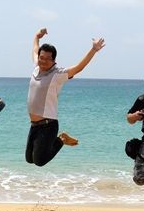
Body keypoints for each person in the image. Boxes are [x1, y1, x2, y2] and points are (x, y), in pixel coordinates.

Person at [25, 27, 105, 166]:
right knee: (29, 159)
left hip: (48, 125)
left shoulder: (57, 74)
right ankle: (60, 140)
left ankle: (62, 139)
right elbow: (35, 48)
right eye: (41, 58)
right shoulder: (36, 67)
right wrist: (37, 36)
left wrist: (93, 50)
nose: (43, 61)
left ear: (54, 61)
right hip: (34, 125)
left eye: (47, 59)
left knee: (39, 161)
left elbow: (79, 67)